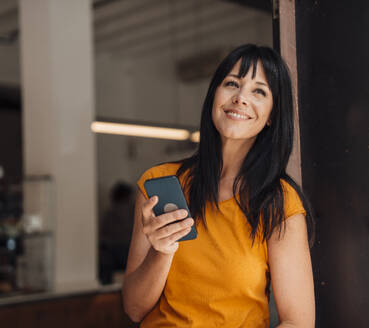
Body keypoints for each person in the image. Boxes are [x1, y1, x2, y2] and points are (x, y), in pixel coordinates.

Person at [122, 44, 316, 327]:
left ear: (273, 114)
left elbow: (298, 323)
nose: (240, 98)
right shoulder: (159, 183)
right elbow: (134, 309)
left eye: (259, 91)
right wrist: (161, 251)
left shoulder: (279, 202)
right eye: (232, 84)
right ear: (214, 95)